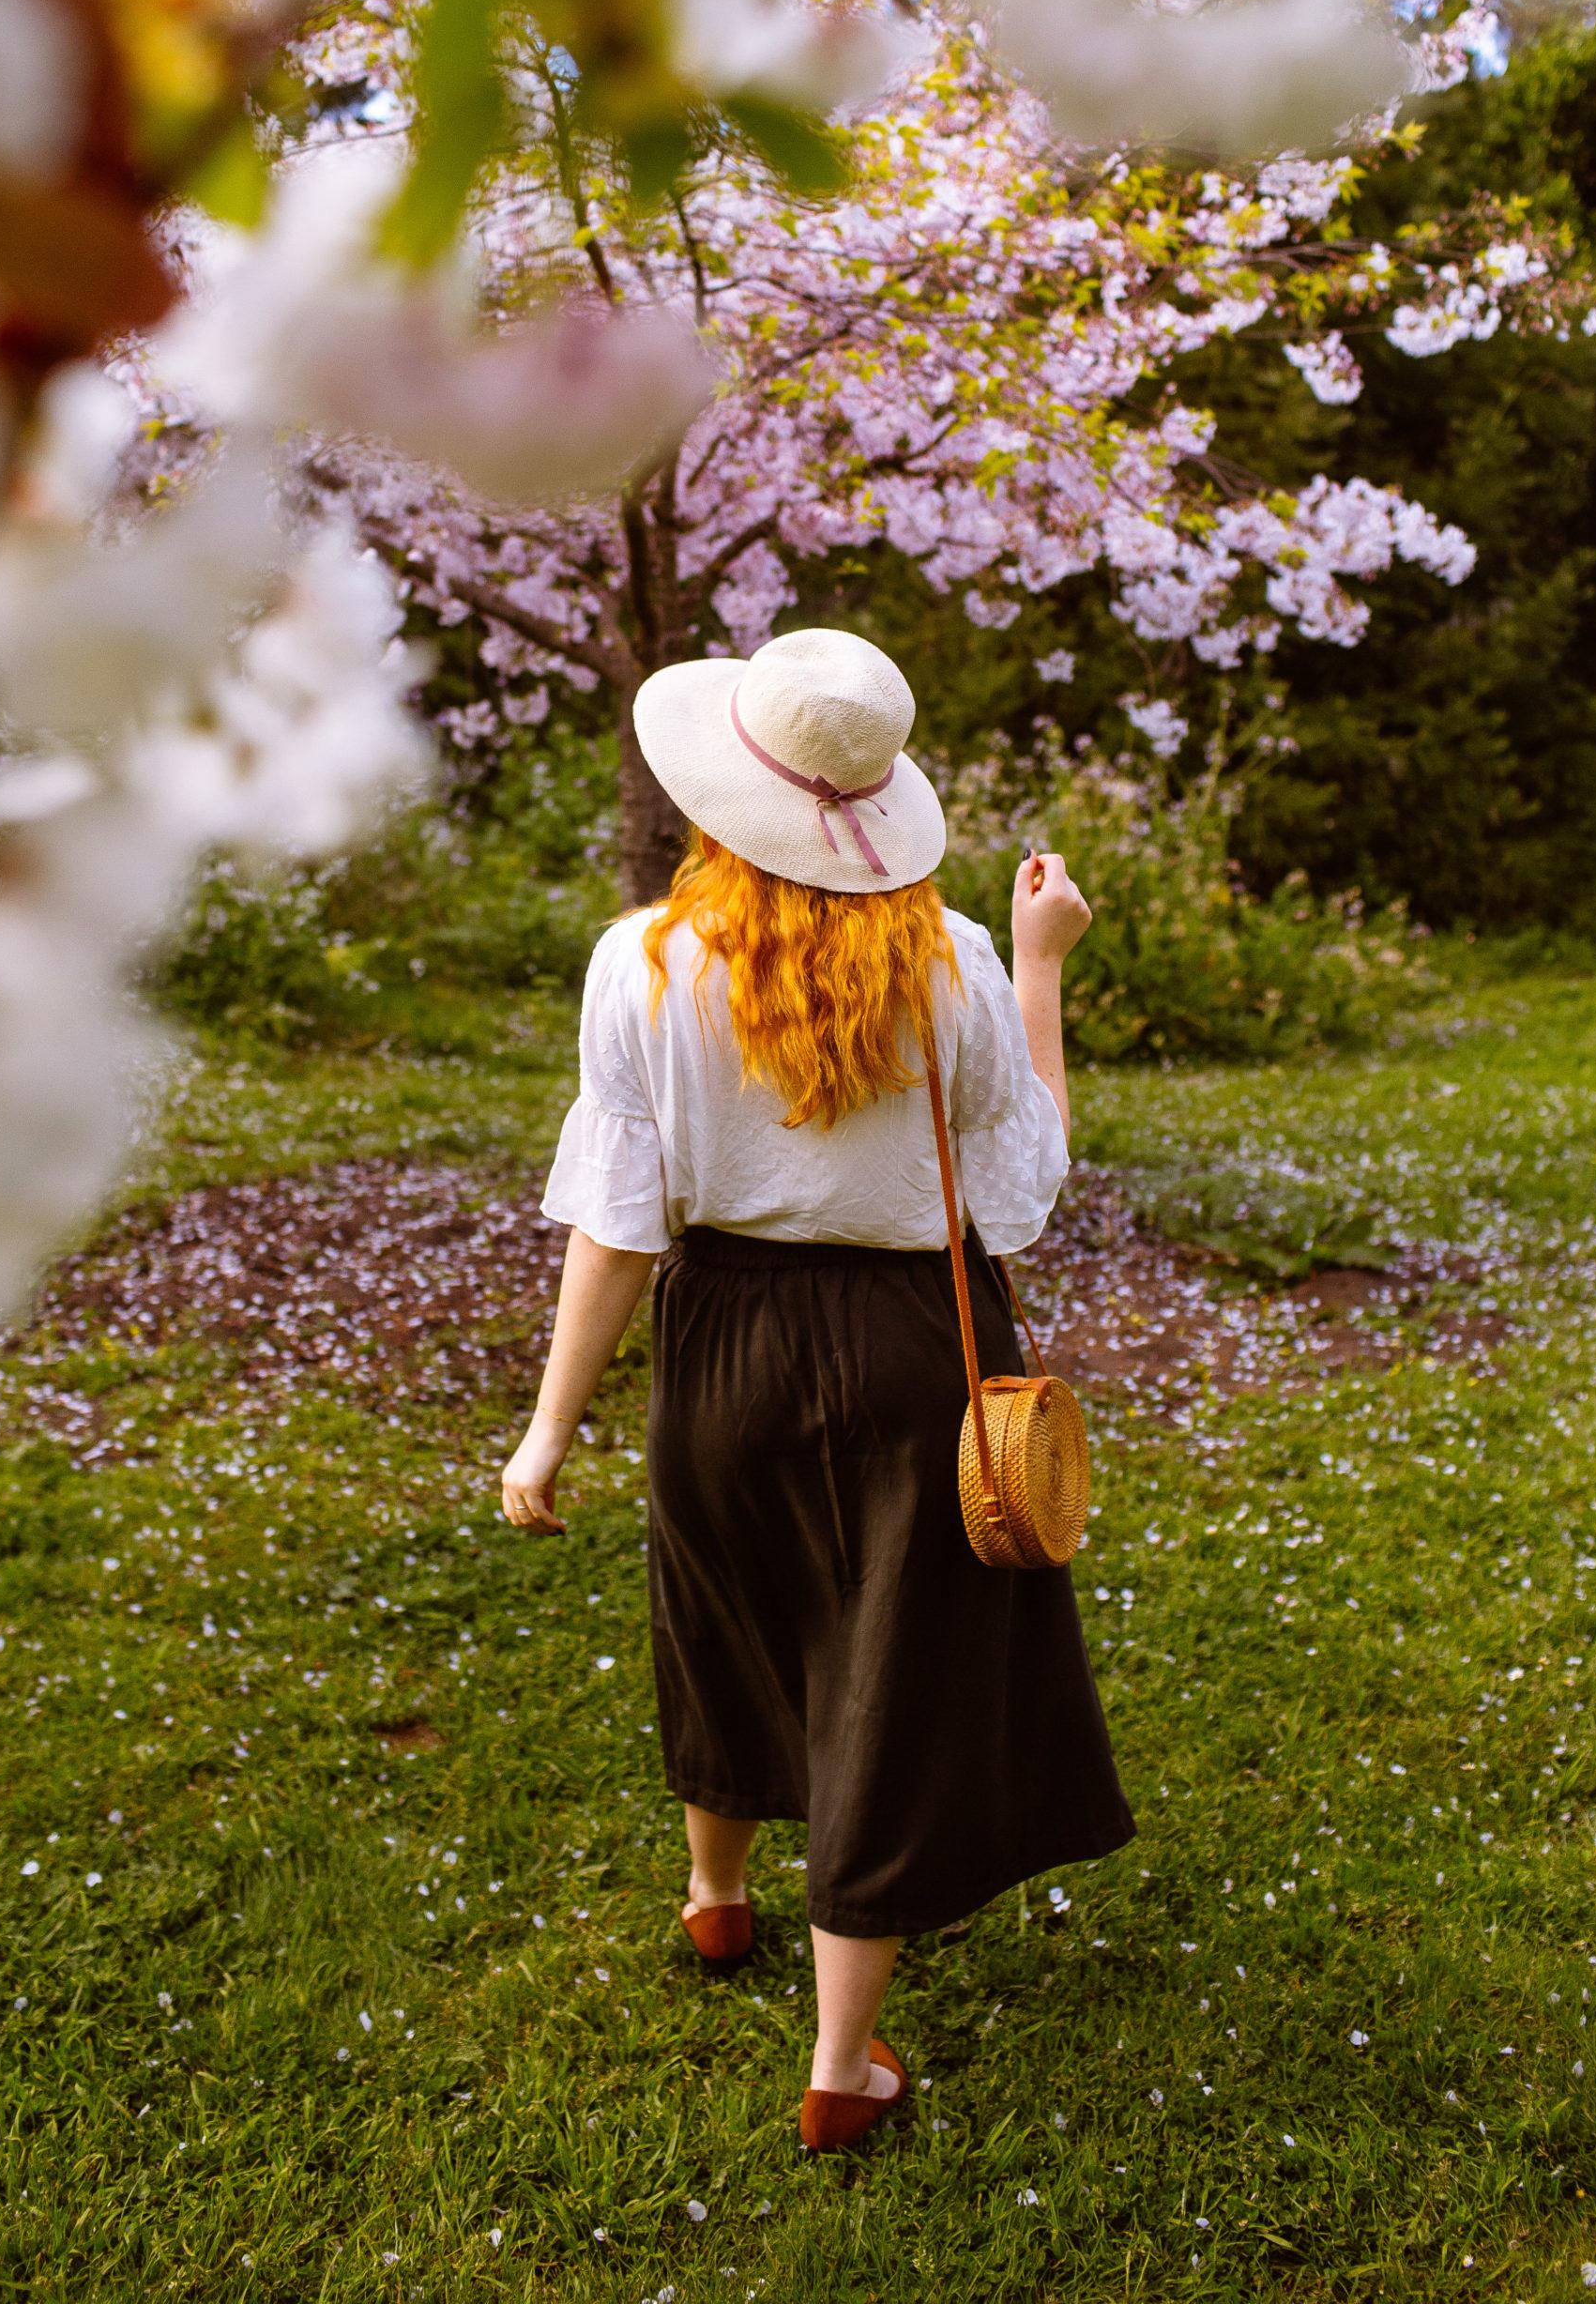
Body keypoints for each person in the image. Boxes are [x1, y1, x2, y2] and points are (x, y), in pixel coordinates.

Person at [502, 627, 1133, 2152]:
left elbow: (620, 1223)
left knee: (726, 1609)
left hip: (726, 1343)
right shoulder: (959, 959)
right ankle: (842, 2068)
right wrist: (1044, 971)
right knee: (890, 1671)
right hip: (920, 1342)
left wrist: (548, 1426)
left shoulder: (640, 961)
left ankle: (719, 1902)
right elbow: (1022, 1183)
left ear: (727, 795)